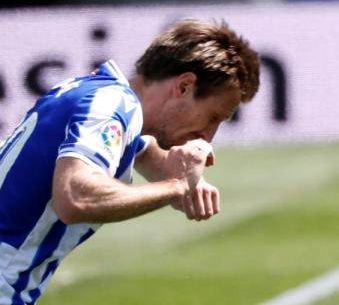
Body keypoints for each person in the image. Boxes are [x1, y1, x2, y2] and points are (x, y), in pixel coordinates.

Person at [0, 19, 260, 303]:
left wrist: (178, 172)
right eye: (212, 118)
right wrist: (177, 185)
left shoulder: (103, 95)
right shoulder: (110, 106)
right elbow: (76, 196)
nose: (208, 136)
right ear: (184, 86)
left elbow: (141, 147)